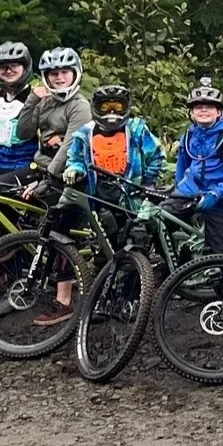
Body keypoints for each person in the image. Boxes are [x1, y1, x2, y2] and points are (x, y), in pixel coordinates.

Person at [38, 84, 165, 326]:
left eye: (118, 106)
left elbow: (157, 155)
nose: (112, 112)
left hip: (131, 197)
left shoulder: (137, 130)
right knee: (107, 248)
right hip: (99, 196)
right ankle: (104, 300)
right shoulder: (84, 134)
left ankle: (132, 300)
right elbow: (75, 159)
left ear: (126, 108)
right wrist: (74, 171)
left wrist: (147, 182)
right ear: (96, 108)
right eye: (105, 106)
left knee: (134, 245)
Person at [170, 78, 223, 254]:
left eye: (210, 107)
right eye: (198, 107)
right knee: (157, 220)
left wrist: (216, 194)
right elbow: (181, 171)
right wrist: (181, 191)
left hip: (222, 203)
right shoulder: (188, 137)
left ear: (219, 112)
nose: (203, 110)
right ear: (191, 113)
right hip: (191, 197)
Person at [19, 47, 91, 190]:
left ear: (75, 73)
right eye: (54, 73)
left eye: (65, 72)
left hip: (66, 175)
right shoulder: (44, 102)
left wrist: (47, 181)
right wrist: (32, 100)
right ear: (46, 77)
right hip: (41, 165)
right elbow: (23, 133)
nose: (59, 77)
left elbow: (68, 148)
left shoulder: (80, 106)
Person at [0, 42, 38, 175]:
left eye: (14, 65)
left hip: (26, 169)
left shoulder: (37, 98)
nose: (8, 71)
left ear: (25, 67)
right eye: (3, 67)